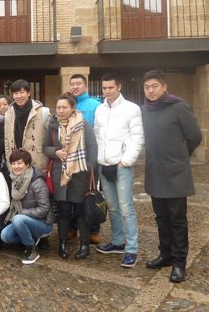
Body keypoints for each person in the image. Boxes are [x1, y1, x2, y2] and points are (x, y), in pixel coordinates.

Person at [141, 69, 202, 283]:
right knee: (161, 218)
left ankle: (179, 262)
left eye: (154, 86)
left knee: (177, 220)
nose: (150, 91)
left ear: (164, 87)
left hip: (176, 173)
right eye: (147, 87)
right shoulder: (145, 110)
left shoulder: (179, 107)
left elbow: (195, 136)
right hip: (155, 171)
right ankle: (165, 254)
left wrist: (180, 157)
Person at [93, 73, 144, 268]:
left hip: (121, 165)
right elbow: (98, 135)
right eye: (104, 88)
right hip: (104, 164)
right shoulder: (100, 109)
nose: (107, 91)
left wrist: (126, 160)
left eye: (110, 88)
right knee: (112, 206)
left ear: (119, 87)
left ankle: (131, 249)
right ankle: (117, 241)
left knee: (126, 207)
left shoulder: (132, 109)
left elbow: (137, 137)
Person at [43, 92, 98, 260]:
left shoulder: (84, 125)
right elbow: (45, 147)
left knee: (81, 211)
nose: (60, 110)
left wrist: (88, 169)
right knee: (64, 211)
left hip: (80, 174)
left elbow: (92, 150)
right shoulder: (52, 126)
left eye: (64, 107)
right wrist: (56, 152)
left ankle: (84, 245)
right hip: (60, 173)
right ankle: (62, 243)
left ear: (73, 108)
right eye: (58, 107)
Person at [0, 149, 55, 265]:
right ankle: (31, 240)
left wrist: (22, 213)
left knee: (18, 219)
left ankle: (31, 248)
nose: (16, 166)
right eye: (13, 163)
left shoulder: (38, 182)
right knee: (5, 236)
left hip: (43, 223)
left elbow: (44, 209)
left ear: (28, 164)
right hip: (24, 220)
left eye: (19, 163)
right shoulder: (15, 180)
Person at [69, 73, 102, 244]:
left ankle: (94, 229)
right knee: (73, 195)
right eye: (72, 84)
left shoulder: (95, 105)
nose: (75, 87)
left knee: (90, 193)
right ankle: (73, 227)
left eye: (78, 84)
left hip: (89, 157)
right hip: (71, 159)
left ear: (86, 86)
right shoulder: (68, 104)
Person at [4, 80, 50, 170]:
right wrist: (9, 160)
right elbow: (7, 141)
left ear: (28, 93)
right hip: (16, 165)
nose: (19, 96)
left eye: (22, 92)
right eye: (16, 93)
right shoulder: (8, 114)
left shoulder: (43, 112)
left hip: (37, 164)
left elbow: (49, 139)